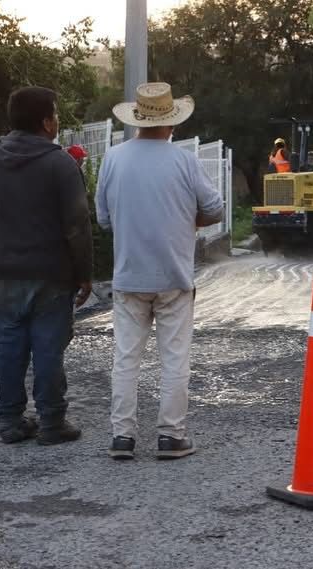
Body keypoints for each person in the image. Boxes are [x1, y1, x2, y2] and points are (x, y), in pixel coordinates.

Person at [96, 82, 224, 460]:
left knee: (125, 359)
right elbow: (215, 209)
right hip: (174, 277)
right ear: (172, 122)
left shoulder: (113, 159)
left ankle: (122, 437)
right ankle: (171, 436)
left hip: (129, 276)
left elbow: (104, 219)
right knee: (174, 359)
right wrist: (190, 220)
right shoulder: (184, 161)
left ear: (137, 119)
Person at [0, 86, 94, 445]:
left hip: (5, 273)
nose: (57, 120)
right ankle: (52, 422)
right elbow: (77, 225)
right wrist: (84, 273)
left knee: (9, 350)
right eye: (55, 114)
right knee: (48, 349)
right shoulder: (61, 164)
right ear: (46, 122)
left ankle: (11, 422)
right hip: (51, 273)